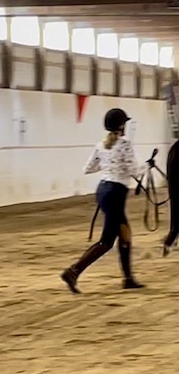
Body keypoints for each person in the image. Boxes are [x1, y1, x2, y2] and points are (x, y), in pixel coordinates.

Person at [60, 108, 146, 294]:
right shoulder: (125, 145)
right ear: (122, 126)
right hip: (115, 193)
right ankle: (73, 271)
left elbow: (88, 169)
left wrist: (108, 165)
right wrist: (148, 165)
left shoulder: (101, 145)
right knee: (106, 241)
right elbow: (135, 171)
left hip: (104, 190)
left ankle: (128, 278)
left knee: (125, 234)